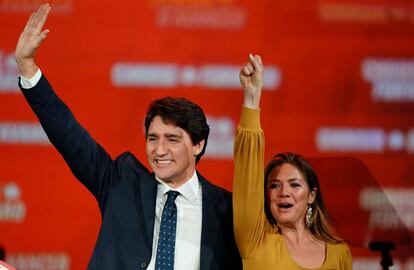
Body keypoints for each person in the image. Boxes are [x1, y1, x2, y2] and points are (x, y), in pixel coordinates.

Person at [15, 4, 241, 270]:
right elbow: (70, 136)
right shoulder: (121, 185)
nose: (159, 150)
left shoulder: (226, 210)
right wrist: (28, 69)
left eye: (172, 139)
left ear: (198, 145)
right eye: (153, 138)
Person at [233, 53, 352, 269]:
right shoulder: (256, 241)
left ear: (312, 195)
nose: (283, 192)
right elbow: (247, 170)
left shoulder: (339, 252)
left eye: (295, 184)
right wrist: (252, 97)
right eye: (274, 185)